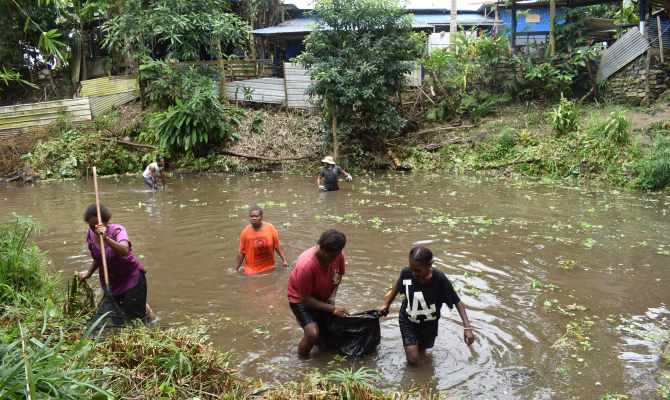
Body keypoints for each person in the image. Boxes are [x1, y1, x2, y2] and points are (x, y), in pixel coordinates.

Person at [379, 246, 475, 366]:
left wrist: (467, 327)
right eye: (412, 268)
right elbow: (398, 284)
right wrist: (386, 305)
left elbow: (456, 301)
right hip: (408, 320)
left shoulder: (439, 279)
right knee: (413, 360)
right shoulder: (406, 272)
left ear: (430, 265)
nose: (414, 273)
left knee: (423, 349)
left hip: (429, 323)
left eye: (418, 270)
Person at [79, 204, 150, 321]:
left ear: (106, 221)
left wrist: (106, 238)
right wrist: (89, 273)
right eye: (92, 227)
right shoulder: (89, 235)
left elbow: (124, 251)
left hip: (130, 277)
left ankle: (146, 312)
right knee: (117, 317)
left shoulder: (118, 230)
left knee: (135, 317)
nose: (95, 230)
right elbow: (99, 257)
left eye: (98, 226)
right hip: (112, 281)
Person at [287, 229, 350, 357]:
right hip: (300, 299)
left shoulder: (338, 255)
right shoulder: (306, 264)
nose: (336, 259)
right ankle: (302, 362)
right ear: (321, 249)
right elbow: (305, 299)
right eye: (332, 256)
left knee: (323, 334)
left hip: (322, 296)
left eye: (337, 255)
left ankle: (321, 358)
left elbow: (338, 276)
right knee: (312, 334)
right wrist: (332, 308)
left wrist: (332, 297)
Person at [234, 205, 289, 274]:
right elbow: (241, 252)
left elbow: (277, 245)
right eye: (252, 216)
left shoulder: (270, 228)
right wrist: (235, 270)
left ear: (261, 217)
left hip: (270, 268)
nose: (254, 218)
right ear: (249, 217)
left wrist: (284, 260)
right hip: (252, 271)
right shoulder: (245, 232)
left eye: (256, 216)